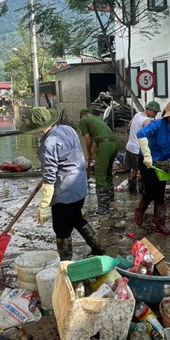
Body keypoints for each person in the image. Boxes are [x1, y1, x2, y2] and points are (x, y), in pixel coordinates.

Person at [22, 107, 104, 260]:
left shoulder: (47, 145)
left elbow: (49, 179)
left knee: (62, 230)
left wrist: (44, 205)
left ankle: (65, 265)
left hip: (64, 194)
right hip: (79, 186)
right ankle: (98, 248)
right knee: (76, 218)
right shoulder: (68, 129)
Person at [135, 100, 170, 236]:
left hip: (163, 164)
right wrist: (147, 155)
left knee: (160, 192)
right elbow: (141, 134)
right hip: (147, 161)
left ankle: (159, 222)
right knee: (151, 190)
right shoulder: (157, 125)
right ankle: (140, 210)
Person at [78, 108, 119, 216]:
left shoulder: (83, 121)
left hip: (105, 146)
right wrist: (91, 154)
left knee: (100, 175)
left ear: (82, 115)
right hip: (114, 144)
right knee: (108, 173)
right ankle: (110, 200)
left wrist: (88, 153)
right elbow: (96, 140)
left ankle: (103, 209)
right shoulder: (99, 120)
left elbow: (88, 140)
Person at [125, 101, 160, 193]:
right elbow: (150, 137)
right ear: (149, 109)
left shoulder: (137, 115)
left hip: (130, 147)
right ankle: (143, 192)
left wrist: (132, 137)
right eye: (155, 112)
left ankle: (132, 192)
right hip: (138, 150)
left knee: (134, 170)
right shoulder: (147, 121)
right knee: (143, 171)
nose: (155, 114)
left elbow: (128, 127)